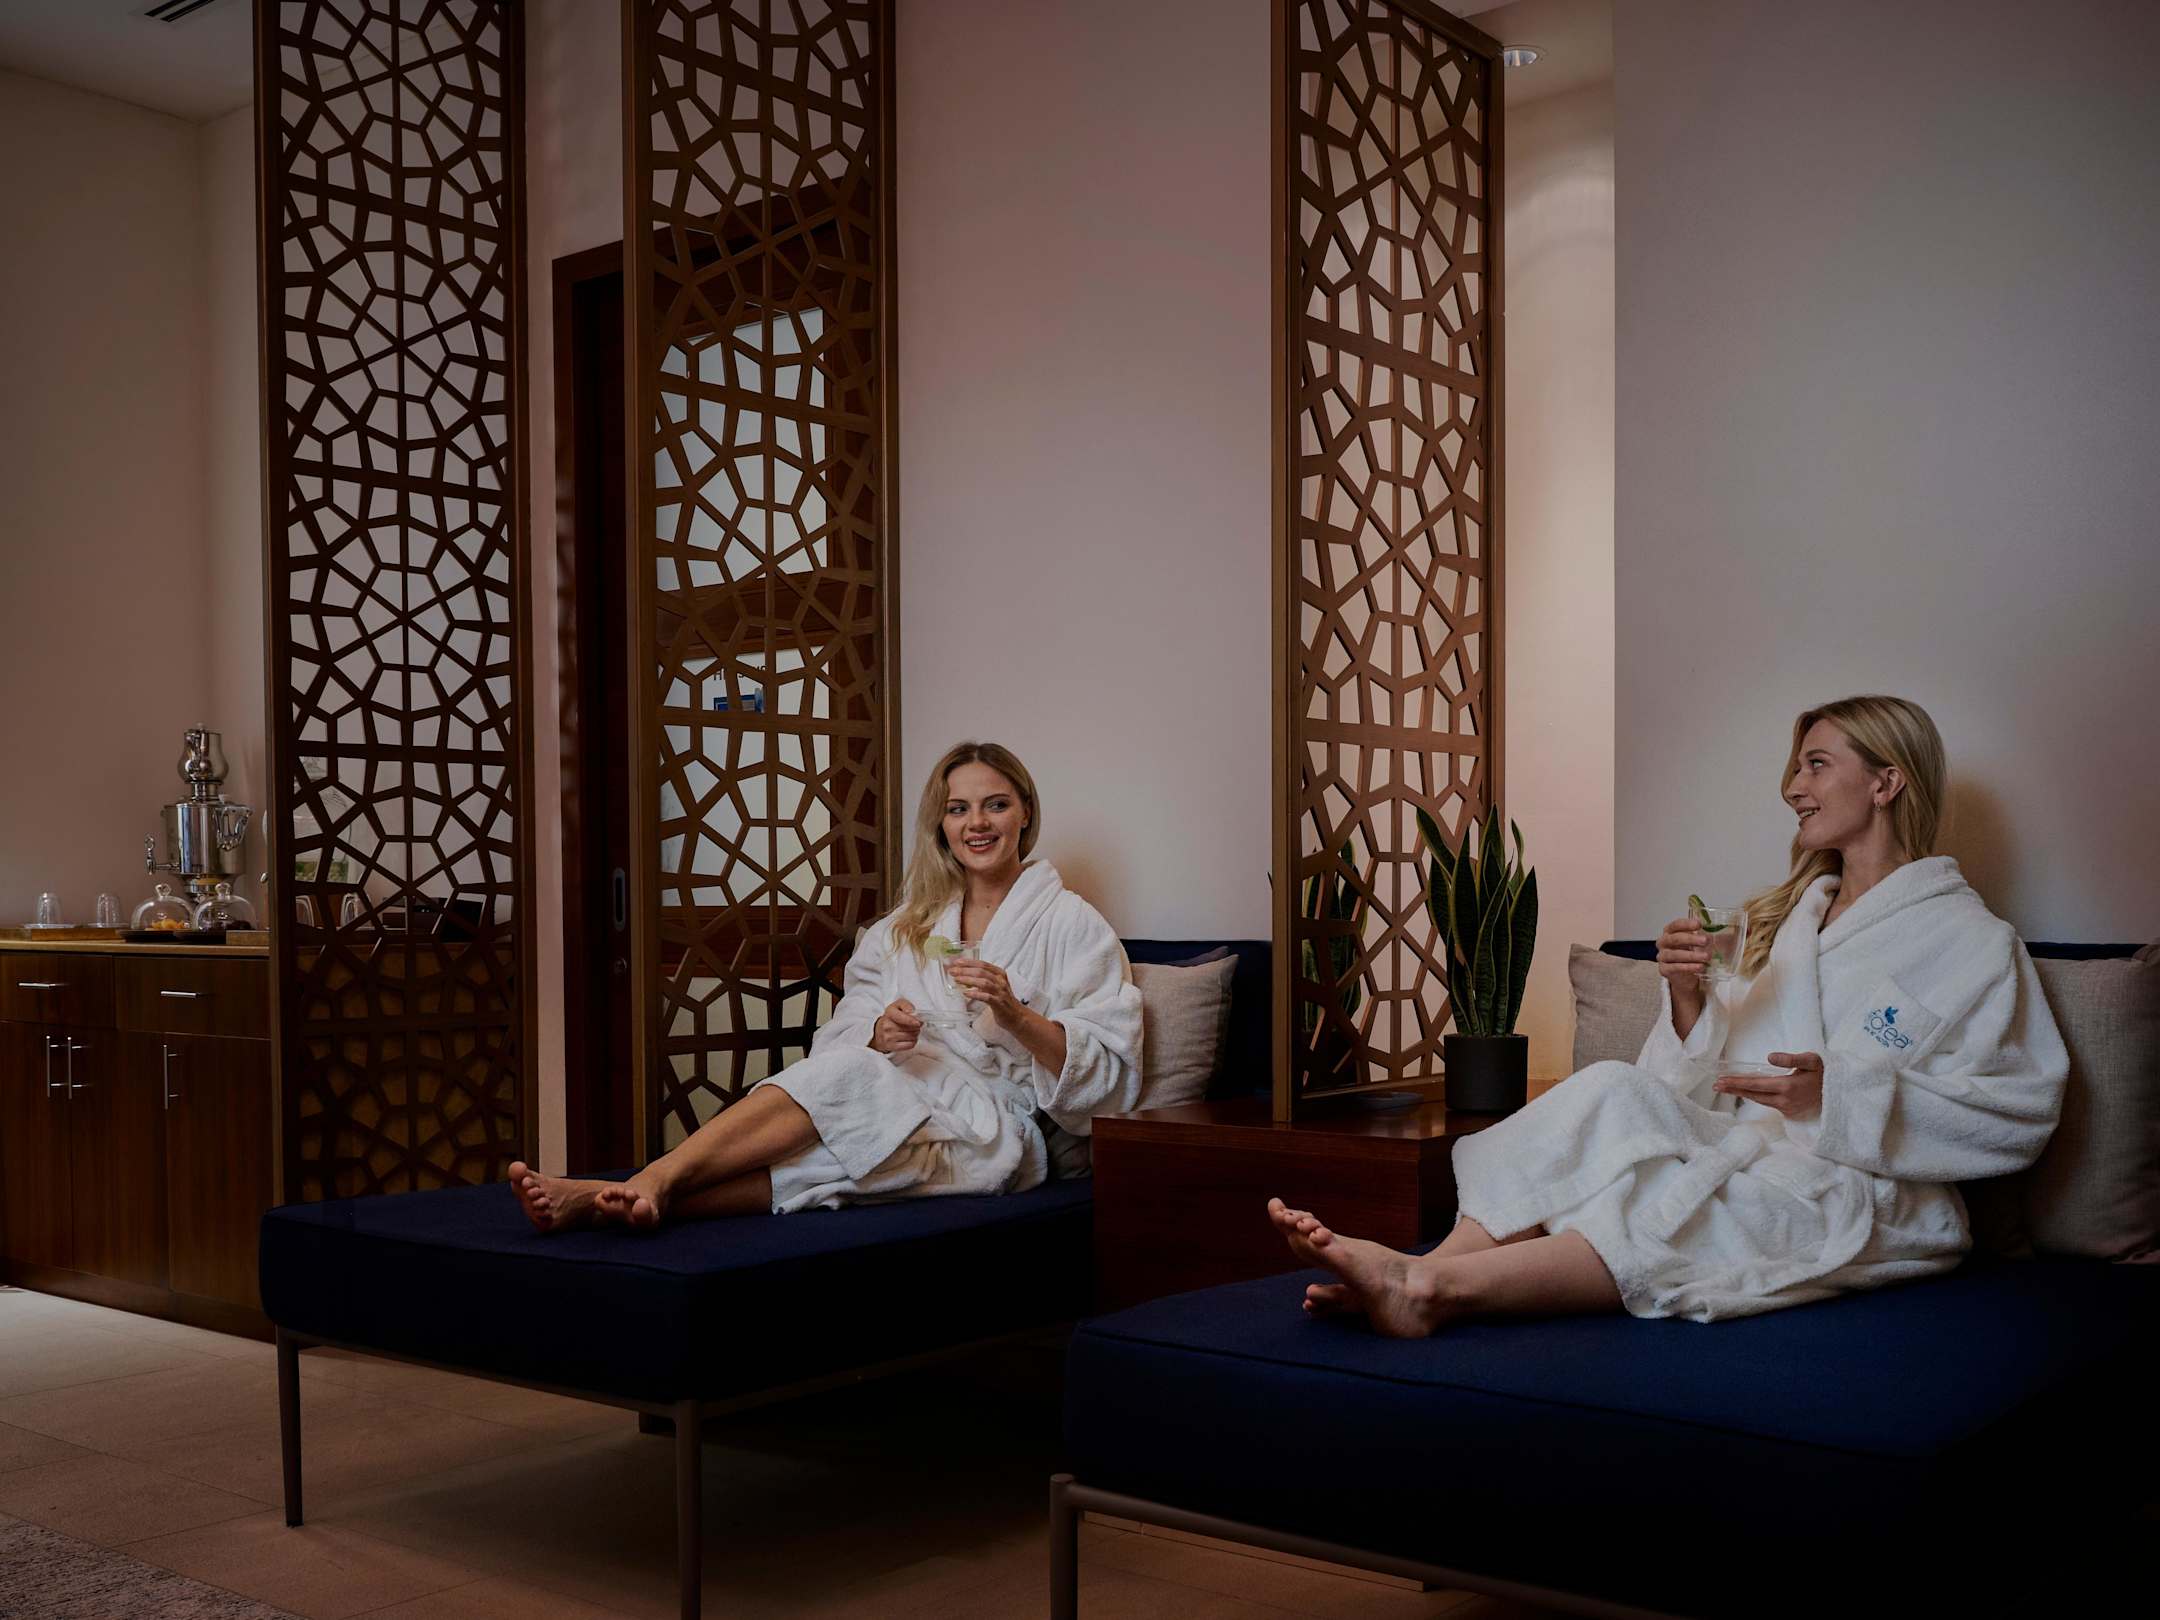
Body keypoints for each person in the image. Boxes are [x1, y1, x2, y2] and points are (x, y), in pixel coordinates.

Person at [1268, 694, 2068, 1335]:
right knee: (1609, 1087)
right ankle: (1423, 1269)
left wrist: (1843, 1098)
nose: (1793, 787)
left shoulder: (1971, 944)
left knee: (1684, 1210)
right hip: (1740, 1146)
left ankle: (1428, 1290)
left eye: (1817, 765)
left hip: (1862, 1193)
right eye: (1796, 767)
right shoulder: (1774, 922)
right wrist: (1687, 998)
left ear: (1886, 782)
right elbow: (1684, 1085)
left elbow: (2020, 1112)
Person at [510, 741, 1142, 1231]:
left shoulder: (1072, 925)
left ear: (1025, 812)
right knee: (838, 1134)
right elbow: (845, 1032)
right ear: (941, 824)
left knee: (851, 1094)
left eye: (995, 804)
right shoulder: (910, 926)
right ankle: (632, 1198)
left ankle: (645, 1180)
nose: (977, 823)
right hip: (910, 1089)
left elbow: (1110, 1074)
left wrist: (1015, 1015)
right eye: (958, 809)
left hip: (998, 1132)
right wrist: (879, 1032)